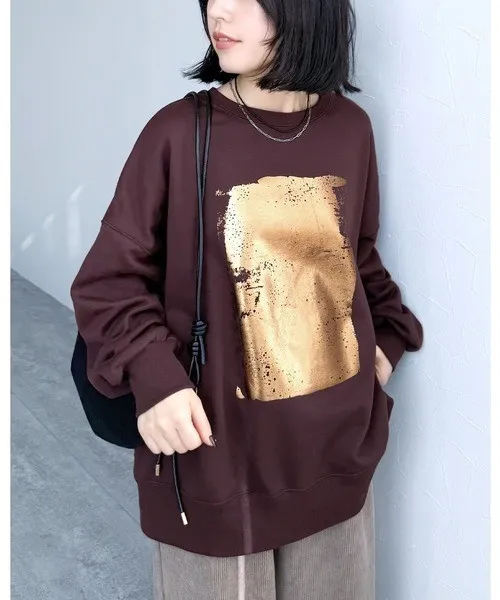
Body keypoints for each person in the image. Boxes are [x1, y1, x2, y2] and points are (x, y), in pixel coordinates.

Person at [70, 0, 424, 598]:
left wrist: (387, 341)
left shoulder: (350, 129)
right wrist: (155, 379)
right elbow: (109, 280)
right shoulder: (179, 133)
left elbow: (355, 258)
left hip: (335, 455)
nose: (219, 11)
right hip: (215, 462)